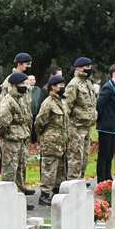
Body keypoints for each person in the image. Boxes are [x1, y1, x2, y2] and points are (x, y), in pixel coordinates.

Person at [34, 73, 69, 206]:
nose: (63, 87)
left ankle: (57, 192)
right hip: (50, 142)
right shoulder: (48, 103)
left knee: (60, 169)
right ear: (53, 87)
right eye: (60, 85)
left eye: (63, 85)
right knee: (49, 169)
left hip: (61, 142)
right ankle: (44, 195)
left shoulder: (61, 101)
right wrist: (44, 137)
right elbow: (39, 122)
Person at [0, 70, 34, 193]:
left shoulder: (21, 98)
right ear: (14, 85)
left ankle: (19, 191)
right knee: (10, 168)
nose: (25, 86)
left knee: (20, 166)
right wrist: (7, 133)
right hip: (11, 138)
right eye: (22, 84)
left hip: (22, 136)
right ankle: (7, 194)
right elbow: (2, 121)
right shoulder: (8, 100)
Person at [62, 57, 98, 184]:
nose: (89, 69)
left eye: (90, 66)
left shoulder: (88, 83)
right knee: (75, 156)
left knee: (84, 156)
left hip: (87, 126)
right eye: (86, 67)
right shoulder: (74, 84)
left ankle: (80, 179)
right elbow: (66, 106)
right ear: (78, 68)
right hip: (75, 127)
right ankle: (72, 182)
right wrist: (65, 127)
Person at [94, 64, 115, 181]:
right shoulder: (108, 87)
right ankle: (101, 178)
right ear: (114, 73)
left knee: (110, 154)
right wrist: (103, 120)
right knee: (104, 154)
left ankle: (107, 176)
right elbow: (100, 105)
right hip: (106, 127)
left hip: (114, 126)